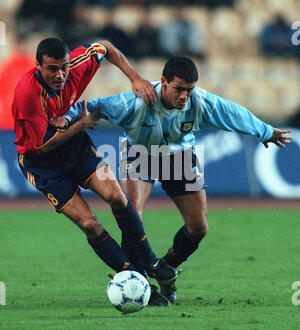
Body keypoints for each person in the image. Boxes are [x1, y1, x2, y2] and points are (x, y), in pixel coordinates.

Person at [62, 56, 292, 303]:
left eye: (189, 90)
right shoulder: (136, 102)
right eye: (179, 89)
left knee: (199, 227)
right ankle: (137, 279)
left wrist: (265, 131)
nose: (185, 96)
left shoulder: (198, 102)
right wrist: (65, 119)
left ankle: (166, 270)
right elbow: (92, 105)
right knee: (132, 217)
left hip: (180, 157)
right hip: (140, 153)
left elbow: (231, 112)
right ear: (163, 82)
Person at [12, 37, 178, 306]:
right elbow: (41, 147)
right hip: (43, 165)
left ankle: (149, 261)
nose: (61, 74)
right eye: (53, 69)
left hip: (75, 149)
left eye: (64, 67)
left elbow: (105, 47)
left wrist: (134, 77)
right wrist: (81, 124)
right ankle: (135, 279)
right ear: (38, 67)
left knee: (116, 196)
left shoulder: (77, 65)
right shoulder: (27, 94)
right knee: (90, 224)